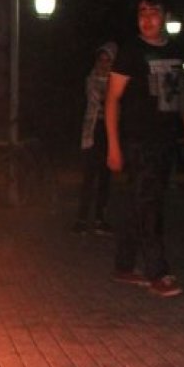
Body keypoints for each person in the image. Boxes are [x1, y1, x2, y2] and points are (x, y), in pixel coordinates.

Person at [105, 0, 184, 297]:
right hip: (138, 140)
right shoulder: (131, 52)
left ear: (165, 16)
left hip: (165, 138)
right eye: (142, 13)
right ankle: (157, 272)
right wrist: (113, 146)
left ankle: (123, 265)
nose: (147, 19)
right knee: (149, 207)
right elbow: (112, 99)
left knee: (140, 202)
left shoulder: (173, 49)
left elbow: (179, 91)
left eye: (153, 13)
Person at [73, 42, 117, 235]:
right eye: (101, 60)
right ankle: (82, 219)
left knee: (105, 178)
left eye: (108, 61)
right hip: (92, 131)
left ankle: (100, 218)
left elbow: (114, 102)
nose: (104, 64)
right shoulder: (91, 79)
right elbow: (99, 99)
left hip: (109, 132)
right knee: (89, 177)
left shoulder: (116, 81)